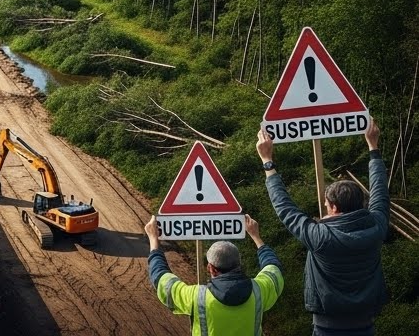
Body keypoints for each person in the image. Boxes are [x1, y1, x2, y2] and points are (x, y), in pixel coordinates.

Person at [258, 120, 388, 335]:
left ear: (334, 207)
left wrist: (267, 161)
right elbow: (381, 192)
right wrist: (373, 149)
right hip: (366, 324)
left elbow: (284, 208)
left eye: (326, 205)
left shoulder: (321, 236)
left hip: (326, 327)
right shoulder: (377, 227)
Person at [146, 214, 284, 335]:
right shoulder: (259, 291)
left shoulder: (196, 297)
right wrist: (256, 236)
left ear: (210, 268)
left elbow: (161, 279)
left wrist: (154, 240)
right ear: (239, 264)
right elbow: (273, 267)